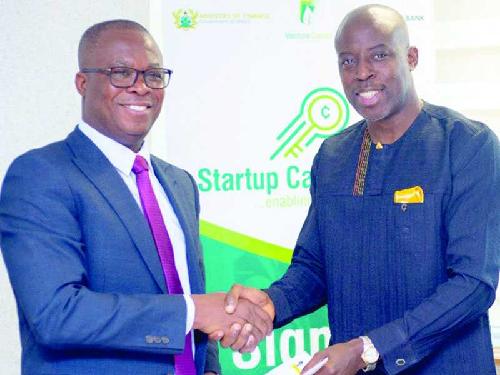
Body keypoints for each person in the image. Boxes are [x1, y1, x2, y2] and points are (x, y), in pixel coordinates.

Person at [217, 4, 500, 374]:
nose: (362, 73)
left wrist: (370, 348)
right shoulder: (333, 155)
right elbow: (314, 266)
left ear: (411, 57)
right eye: (348, 61)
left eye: (379, 55)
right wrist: (270, 304)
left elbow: (473, 284)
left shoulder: (466, 145)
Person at [0, 20, 272, 374]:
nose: (141, 87)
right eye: (121, 73)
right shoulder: (42, 174)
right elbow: (56, 313)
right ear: (83, 83)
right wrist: (193, 311)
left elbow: (190, 296)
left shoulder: (179, 183)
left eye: (154, 75)